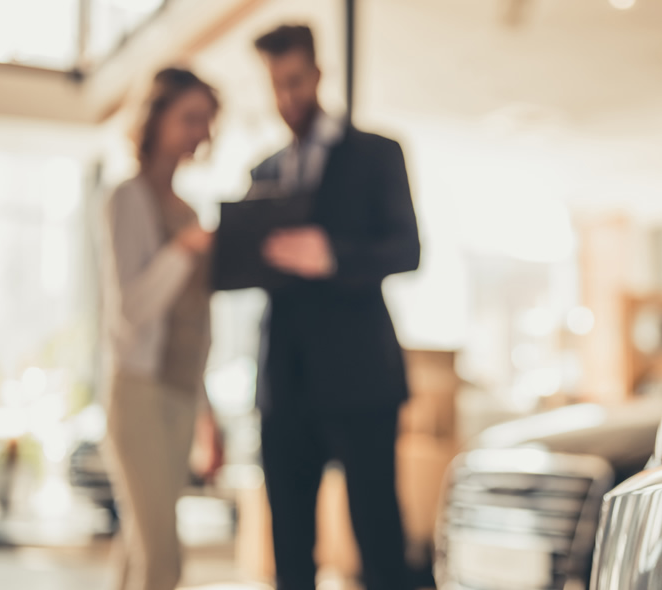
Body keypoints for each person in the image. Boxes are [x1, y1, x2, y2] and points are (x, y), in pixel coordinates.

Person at [248, 24, 420, 590]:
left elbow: (408, 250)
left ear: (318, 76)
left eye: (295, 81)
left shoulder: (377, 153)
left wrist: (332, 256)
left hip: (361, 381)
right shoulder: (264, 172)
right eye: (276, 85)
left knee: (378, 539)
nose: (287, 97)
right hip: (285, 386)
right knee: (290, 549)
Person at [100, 67, 224, 590]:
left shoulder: (188, 210)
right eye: (189, 118)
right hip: (139, 392)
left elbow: (193, 324)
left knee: (139, 553)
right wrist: (185, 250)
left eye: (206, 121)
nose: (199, 132)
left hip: (179, 391)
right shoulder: (126, 198)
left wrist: (205, 410)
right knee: (163, 559)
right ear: (156, 120)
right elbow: (133, 307)